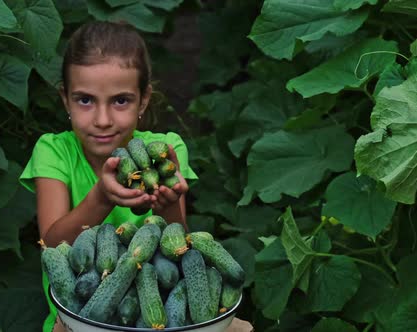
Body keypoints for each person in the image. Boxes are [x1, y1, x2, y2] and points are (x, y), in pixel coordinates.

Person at [20, 21, 251, 332]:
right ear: (66, 99)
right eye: (85, 100)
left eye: (120, 101)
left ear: (143, 100)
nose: (102, 120)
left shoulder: (166, 151)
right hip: (79, 319)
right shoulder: (53, 151)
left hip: (153, 319)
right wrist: (100, 198)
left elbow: (177, 248)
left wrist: (168, 205)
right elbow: (51, 244)